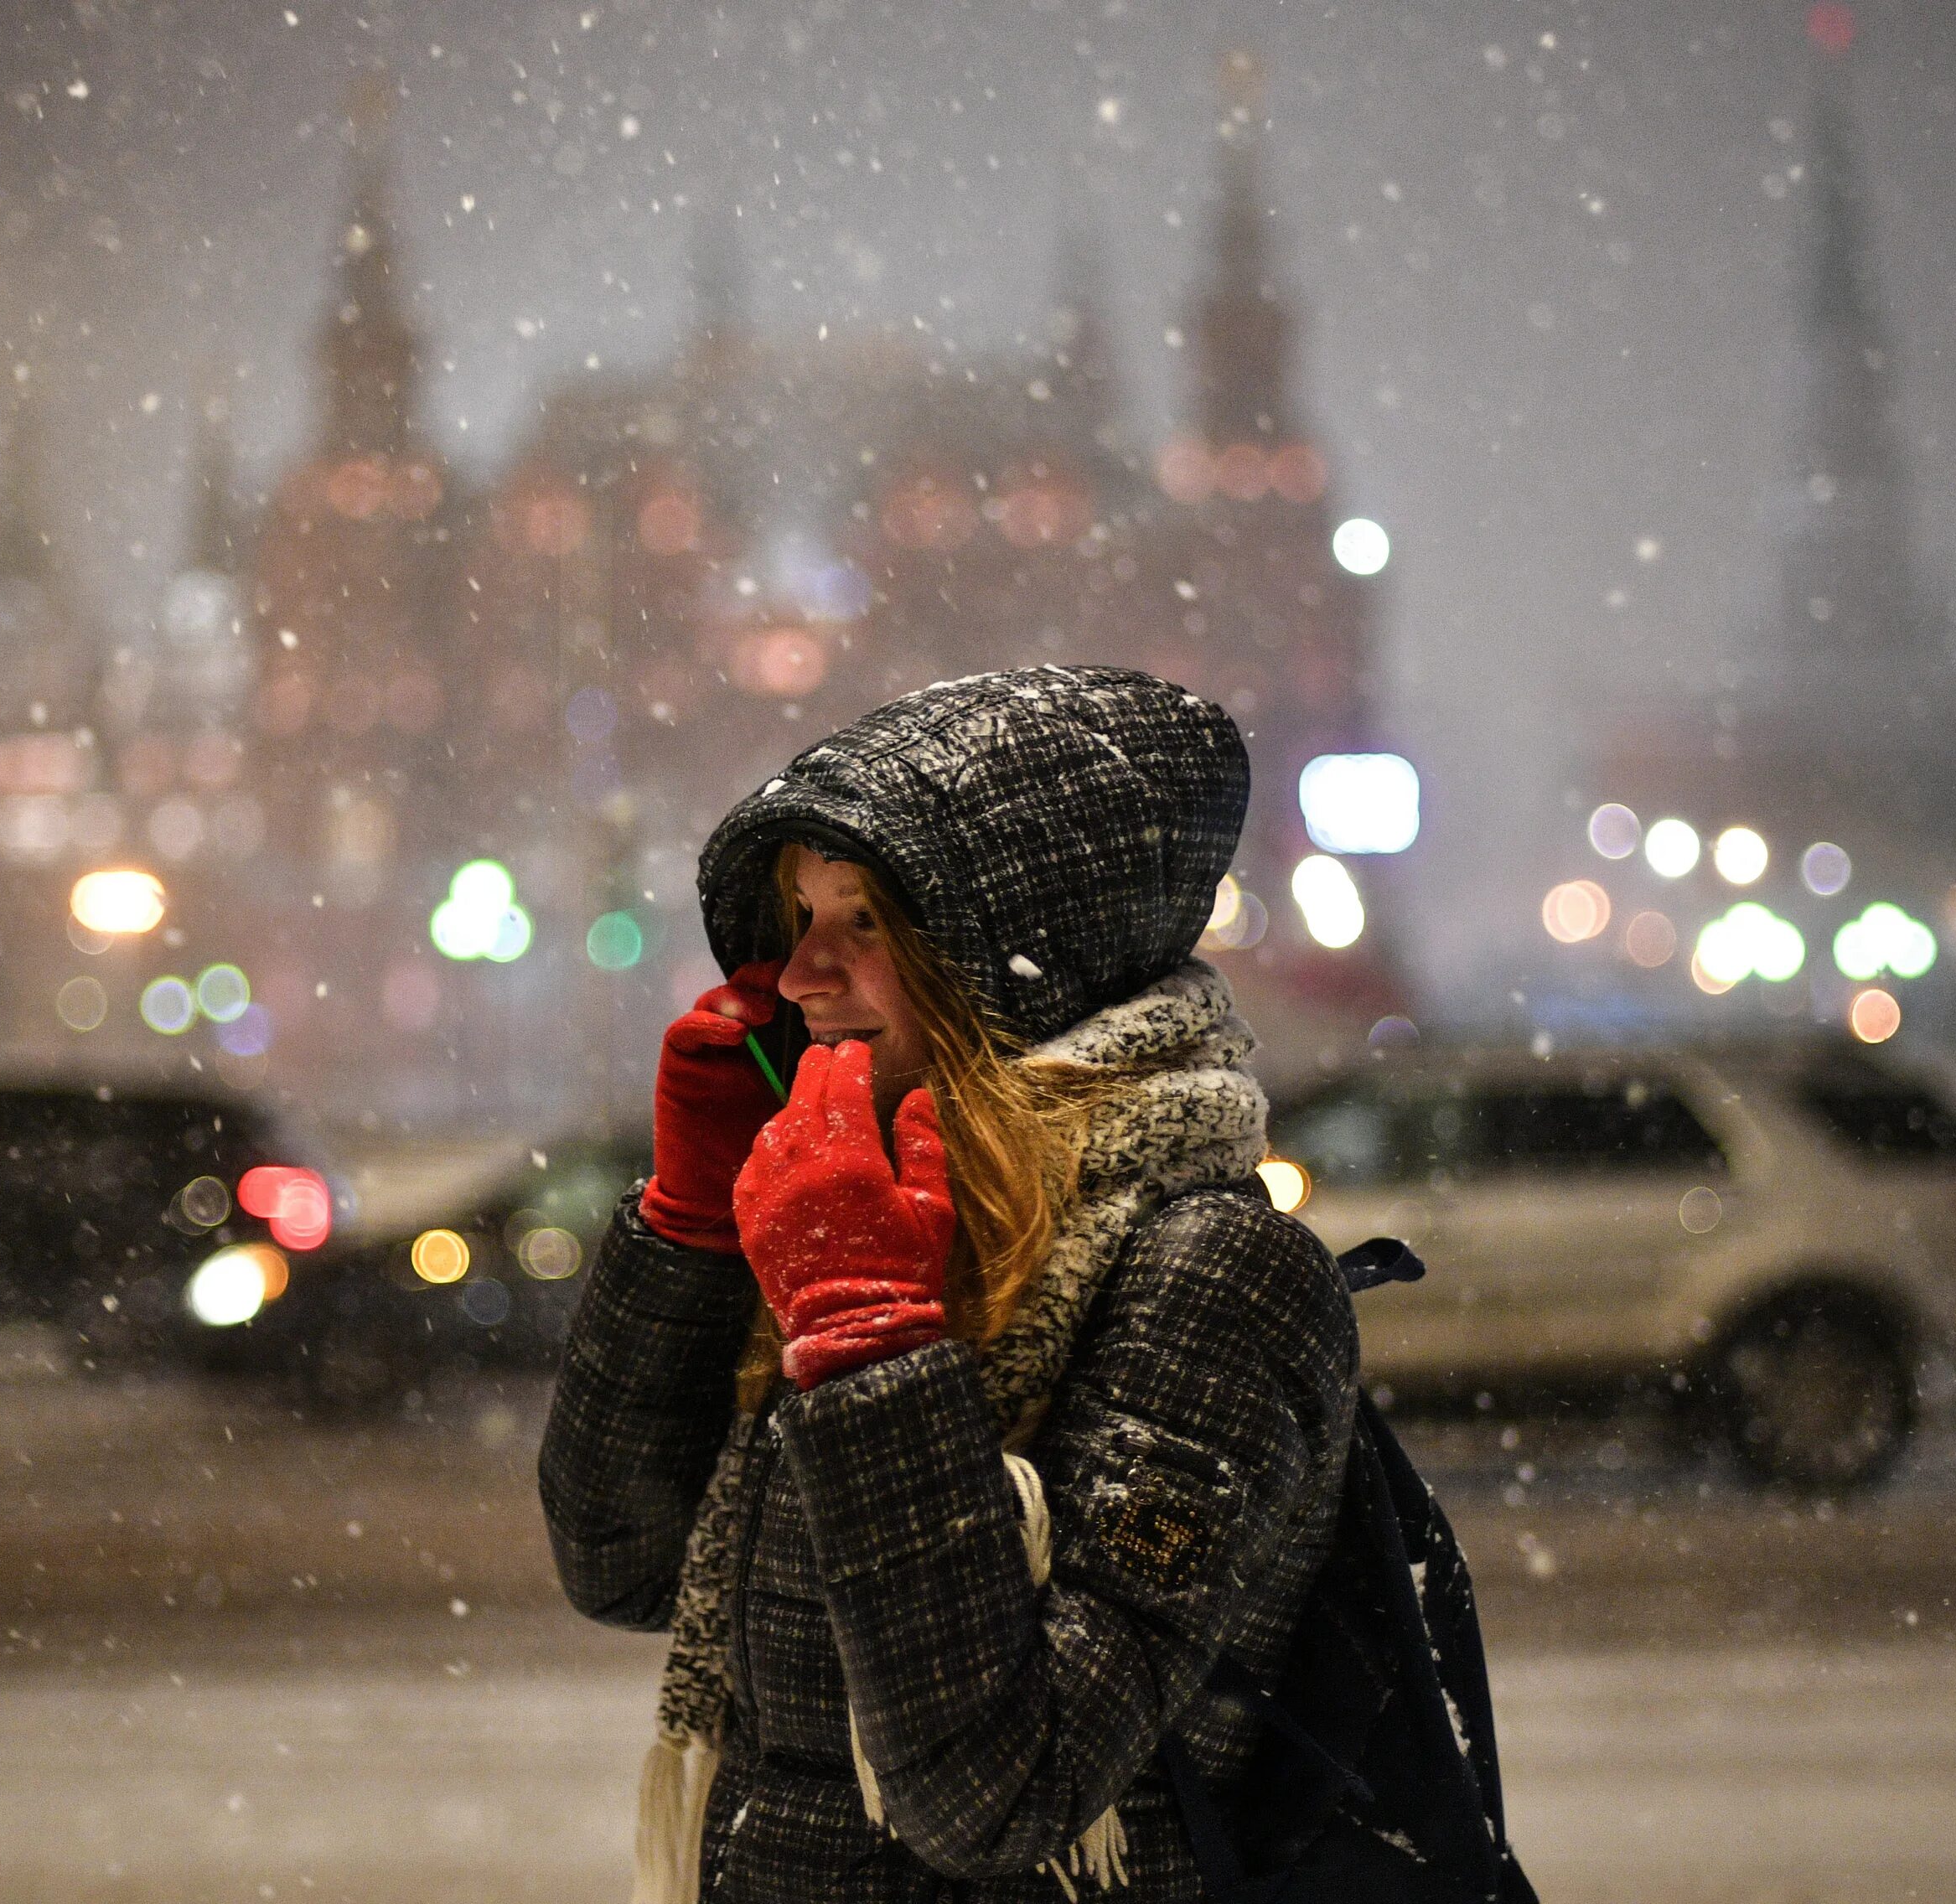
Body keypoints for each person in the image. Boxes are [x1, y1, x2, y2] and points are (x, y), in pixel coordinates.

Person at [541, 666, 1358, 1901]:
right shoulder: (871, 1203)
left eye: (864, 923)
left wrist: (871, 1346)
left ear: (1018, 961)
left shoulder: (1218, 1278)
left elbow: (999, 1789)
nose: (802, 974)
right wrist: (690, 1228)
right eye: (800, 919)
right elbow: (621, 1561)